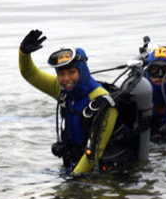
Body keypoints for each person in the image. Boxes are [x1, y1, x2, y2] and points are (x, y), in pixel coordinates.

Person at [18, 29, 118, 175]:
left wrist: (73, 181)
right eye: (61, 74)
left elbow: (95, 153)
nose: (66, 79)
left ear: (82, 71)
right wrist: (24, 54)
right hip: (73, 167)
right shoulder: (62, 90)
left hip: (99, 172)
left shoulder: (103, 102)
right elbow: (30, 74)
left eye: (72, 72)